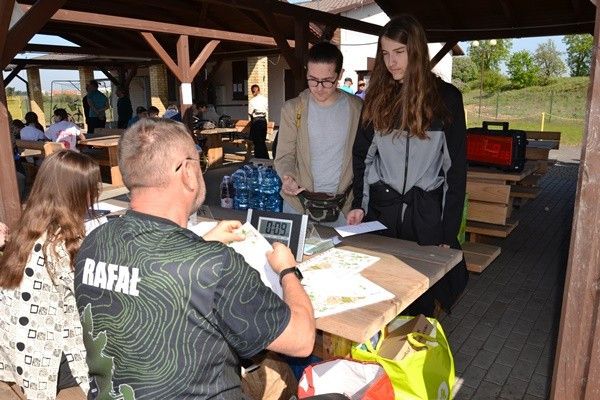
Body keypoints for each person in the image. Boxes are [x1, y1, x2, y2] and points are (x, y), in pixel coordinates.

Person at [74, 118, 315, 398]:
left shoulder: (94, 242)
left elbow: (147, 271)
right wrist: (288, 271)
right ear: (188, 172)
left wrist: (202, 242)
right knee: (281, 371)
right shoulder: (214, 265)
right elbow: (302, 340)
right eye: (198, 162)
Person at [347, 14, 468, 316]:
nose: (391, 62)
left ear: (416, 50)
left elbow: (455, 172)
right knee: (379, 298)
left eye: (399, 52)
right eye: (385, 53)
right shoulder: (376, 99)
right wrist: (359, 204)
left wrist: (447, 233)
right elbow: (362, 157)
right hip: (381, 216)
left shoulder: (447, 99)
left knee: (420, 305)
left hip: (426, 220)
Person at [0, 150, 100, 399]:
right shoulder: (61, 246)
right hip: (53, 364)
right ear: (75, 193)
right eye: (91, 188)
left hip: (17, 355)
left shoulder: (27, 229)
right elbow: (94, 302)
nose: (95, 193)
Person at [274, 42, 363, 227]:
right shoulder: (293, 109)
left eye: (327, 81)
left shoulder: (357, 108)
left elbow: (365, 158)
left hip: (343, 207)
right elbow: (284, 155)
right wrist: (288, 177)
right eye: (313, 79)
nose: (319, 88)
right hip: (299, 203)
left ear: (340, 74)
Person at [248, 84, 269, 159]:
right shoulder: (265, 99)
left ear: (252, 92)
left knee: (257, 141)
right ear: (259, 91)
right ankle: (265, 157)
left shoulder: (252, 101)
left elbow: (250, 112)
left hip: (256, 121)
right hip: (263, 120)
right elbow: (267, 109)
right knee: (262, 140)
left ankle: (259, 157)